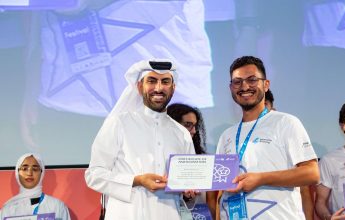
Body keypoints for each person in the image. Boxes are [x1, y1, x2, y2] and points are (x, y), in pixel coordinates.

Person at [84, 59, 195, 219]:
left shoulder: (181, 133)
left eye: (165, 81)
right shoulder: (119, 123)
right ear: (139, 86)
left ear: (173, 88)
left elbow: (187, 185)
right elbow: (94, 175)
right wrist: (137, 180)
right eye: (152, 81)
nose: (158, 88)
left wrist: (188, 193)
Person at [215, 56, 319, 219]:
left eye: (252, 80)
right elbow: (220, 189)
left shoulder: (286, 122)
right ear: (231, 88)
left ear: (266, 84)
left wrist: (261, 179)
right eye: (237, 82)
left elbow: (312, 173)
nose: (244, 86)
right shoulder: (226, 136)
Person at [264, 88, 315, 220]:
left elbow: (305, 189)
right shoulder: (236, 137)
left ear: (273, 109)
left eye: (265, 106)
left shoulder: (288, 127)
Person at [167, 103, 217, 218]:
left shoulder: (202, 160)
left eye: (195, 126)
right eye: (188, 125)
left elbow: (208, 200)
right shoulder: (158, 156)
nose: (193, 131)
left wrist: (188, 196)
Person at [0, 153, 70, 219]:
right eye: (24, 169)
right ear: (17, 172)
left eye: (35, 169)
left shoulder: (56, 207)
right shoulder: (7, 210)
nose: (29, 173)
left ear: (41, 173)